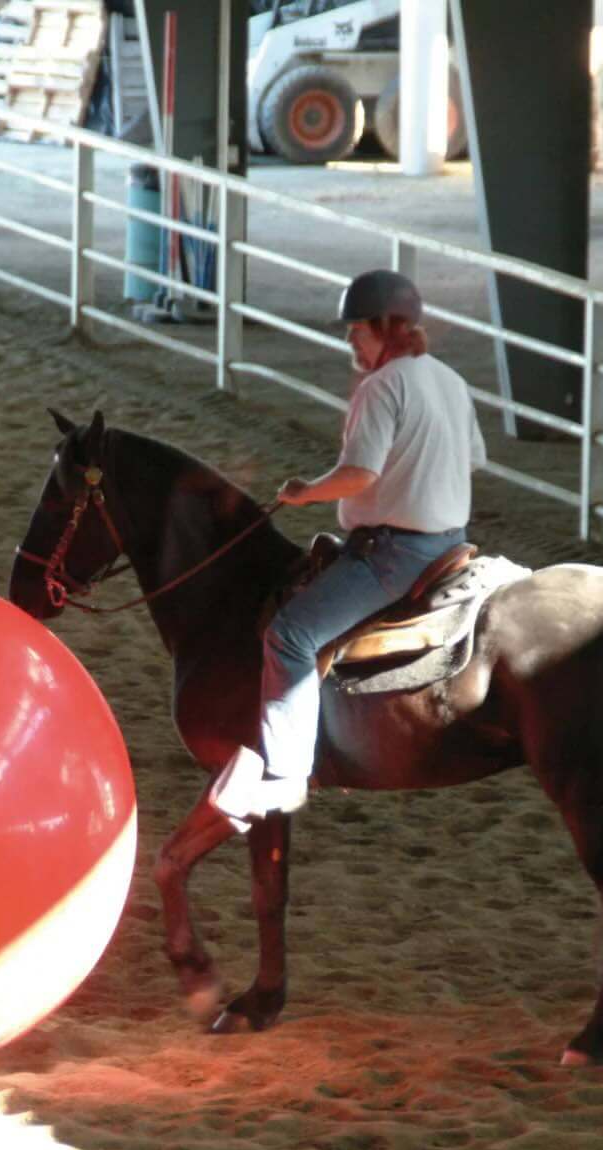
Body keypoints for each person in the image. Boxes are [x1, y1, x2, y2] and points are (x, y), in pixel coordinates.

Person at [208, 269, 487, 825]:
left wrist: (306, 494)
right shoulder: (450, 380)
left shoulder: (381, 388)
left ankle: (285, 776)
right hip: (451, 543)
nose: (350, 341)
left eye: (357, 329)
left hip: (395, 552)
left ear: (386, 328)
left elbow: (359, 473)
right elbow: (474, 457)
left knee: (290, 635)